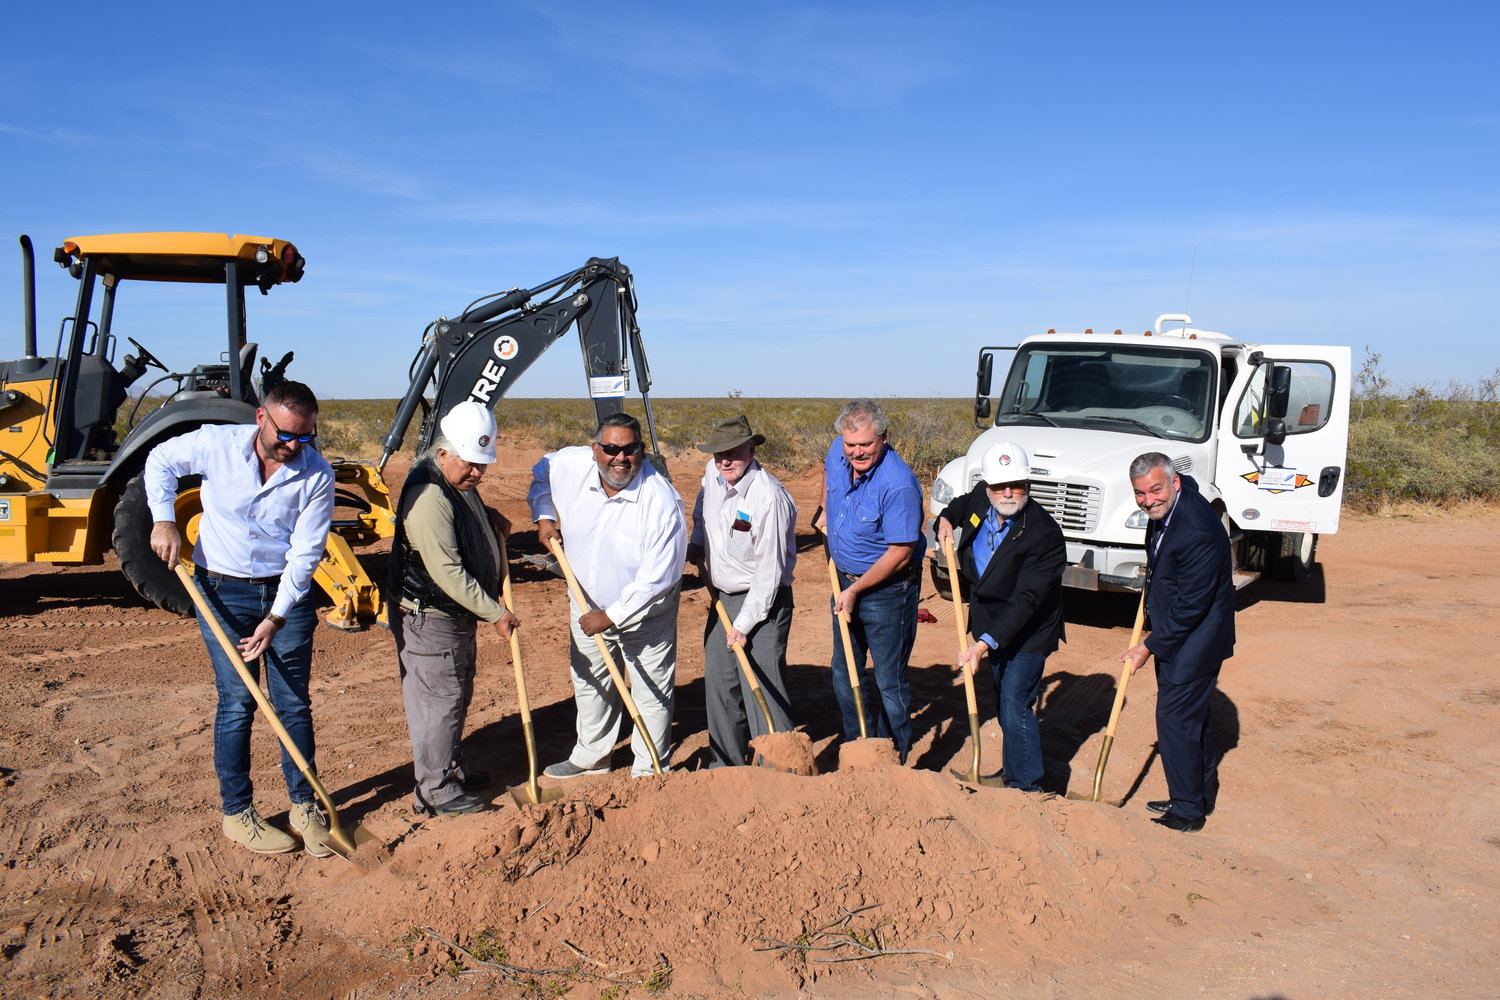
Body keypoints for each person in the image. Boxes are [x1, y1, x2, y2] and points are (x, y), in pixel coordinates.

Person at [145, 380, 335, 857]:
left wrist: (275, 617)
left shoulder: (316, 474)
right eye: (286, 435)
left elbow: (306, 554)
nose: (294, 446)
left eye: (305, 437)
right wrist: (163, 517)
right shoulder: (216, 444)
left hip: (284, 597)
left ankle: (303, 806)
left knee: (292, 703)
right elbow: (159, 461)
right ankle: (238, 813)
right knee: (238, 703)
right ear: (260, 419)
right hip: (220, 590)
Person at [528, 413, 686, 778]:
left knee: (649, 687)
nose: (620, 458)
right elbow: (542, 472)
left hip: (646, 612)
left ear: (641, 452)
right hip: (584, 600)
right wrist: (544, 515)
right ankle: (592, 757)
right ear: (595, 449)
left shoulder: (661, 502)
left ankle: (650, 769)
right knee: (590, 680)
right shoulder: (569, 465)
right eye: (611, 448)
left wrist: (610, 616)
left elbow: (657, 578)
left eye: (630, 450)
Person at [389, 401, 519, 817]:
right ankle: (436, 790)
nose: (478, 473)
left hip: (454, 617)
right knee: (437, 702)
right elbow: (445, 570)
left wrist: (488, 515)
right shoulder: (428, 494)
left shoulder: (455, 481)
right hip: (431, 618)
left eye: (483, 465)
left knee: (455, 696)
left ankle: (449, 769)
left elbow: (465, 513)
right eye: (471, 464)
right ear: (443, 453)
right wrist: (495, 612)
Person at [934, 441, 1065, 793]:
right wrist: (947, 518)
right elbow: (962, 505)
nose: (1008, 493)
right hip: (990, 621)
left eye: (1016, 485)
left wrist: (980, 646)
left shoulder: (1045, 535)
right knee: (1003, 696)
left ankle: (1027, 786)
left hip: (1029, 629)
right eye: (999, 486)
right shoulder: (982, 495)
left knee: (1014, 700)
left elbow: (1026, 600)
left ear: (1028, 484)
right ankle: (1014, 771)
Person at [1120, 452, 1236, 832]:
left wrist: (1148, 646)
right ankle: (1196, 793)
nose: (1148, 500)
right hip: (1184, 632)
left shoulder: (1197, 530)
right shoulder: (1171, 508)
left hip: (1196, 639)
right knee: (1191, 720)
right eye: (1140, 494)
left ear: (1174, 482)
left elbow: (1192, 605)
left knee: (1175, 721)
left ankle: (1188, 810)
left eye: (1155, 490)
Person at [687, 415, 797, 767]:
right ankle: (725, 766)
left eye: (734, 452)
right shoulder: (712, 473)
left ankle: (780, 769)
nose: (725, 460)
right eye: (719, 453)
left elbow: (769, 574)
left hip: (763, 604)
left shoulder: (769, 498)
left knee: (763, 687)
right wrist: (697, 543)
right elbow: (703, 511)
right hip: (722, 599)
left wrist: (744, 625)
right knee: (720, 683)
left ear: (751, 449)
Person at [823, 399, 926, 762]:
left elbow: (900, 551)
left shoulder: (898, 485)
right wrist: (827, 514)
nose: (856, 452)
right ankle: (857, 744)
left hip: (887, 591)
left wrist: (855, 590)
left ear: (883, 437)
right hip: (844, 582)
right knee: (844, 670)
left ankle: (891, 754)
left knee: (888, 679)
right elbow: (831, 483)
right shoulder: (838, 451)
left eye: (865, 444)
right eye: (851, 445)